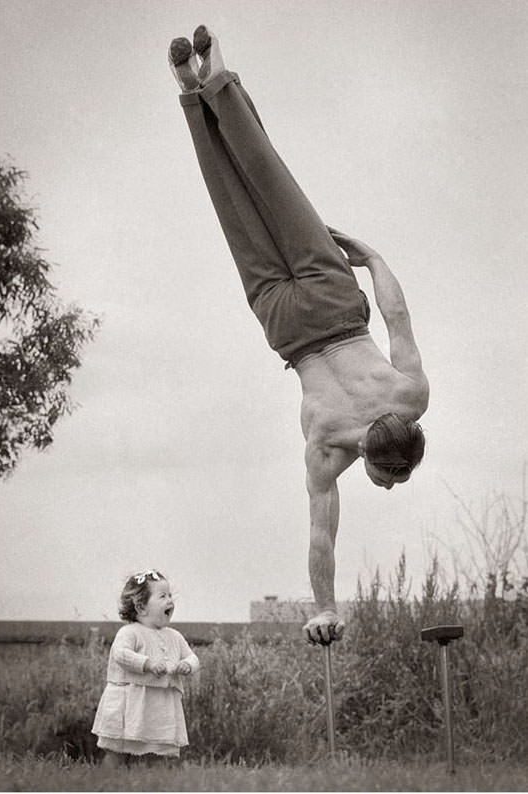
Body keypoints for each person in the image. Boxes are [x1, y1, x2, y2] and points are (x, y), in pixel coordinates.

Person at [168, 28, 429, 646]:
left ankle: (214, 75)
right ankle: (190, 91)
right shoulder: (327, 451)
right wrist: (325, 608)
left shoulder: (412, 397)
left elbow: (396, 316)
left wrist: (372, 256)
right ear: (368, 455)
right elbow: (321, 534)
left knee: (268, 179)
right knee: (233, 203)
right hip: (286, 324)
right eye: (392, 479)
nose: (389, 488)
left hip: (335, 301)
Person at [92, 569, 199, 766]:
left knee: (156, 750)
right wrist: (147, 663)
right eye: (162, 596)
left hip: (158, 706)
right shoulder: (130, 632)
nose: (170, 601)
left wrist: (186, 665)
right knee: (118, 749)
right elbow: (121, 654)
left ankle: (148, 783)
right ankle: (109, 781)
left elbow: (193, 657)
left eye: (170, 596)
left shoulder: (174, 636)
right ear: (141, 607)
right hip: (130, 703)